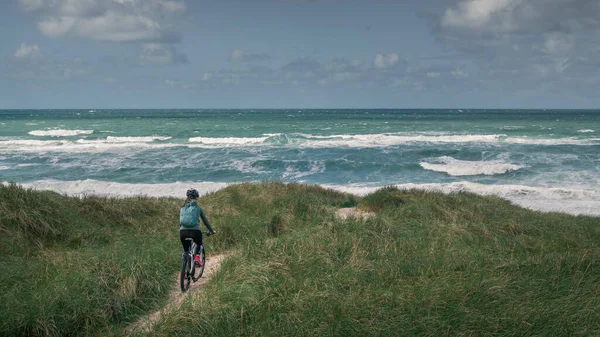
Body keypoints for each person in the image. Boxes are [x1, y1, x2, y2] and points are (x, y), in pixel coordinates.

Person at [180, 188, 216, 266]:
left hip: (182, 233)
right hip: (195, 232)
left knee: (186, 251)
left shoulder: (182, 208)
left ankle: (184, 272)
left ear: (187, 197)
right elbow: (206, 222)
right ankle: (197, 257)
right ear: (196, 197)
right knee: (199, 243)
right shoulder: (198, 208)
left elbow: (181, 222)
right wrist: (212, 231)